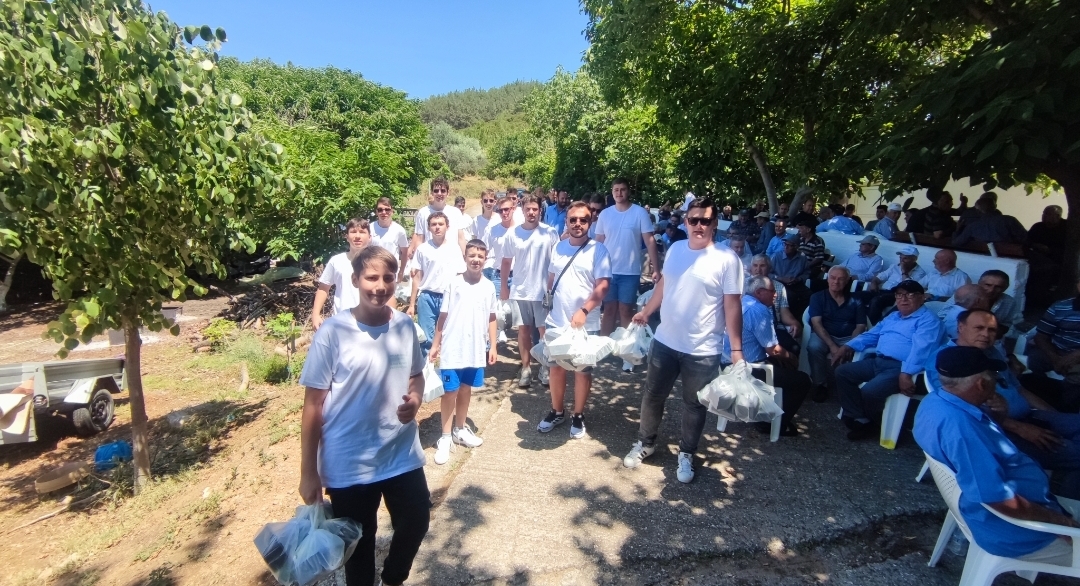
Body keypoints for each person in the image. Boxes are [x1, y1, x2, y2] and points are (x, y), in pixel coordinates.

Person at [298, 246, 430, 586]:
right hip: (349, 462)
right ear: (355, 279)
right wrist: (308, 472)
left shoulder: (404, 327)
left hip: (400, 453)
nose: (380, 286)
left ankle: (393, 578)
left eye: (388, 277)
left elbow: (416, 375)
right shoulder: (333, 333)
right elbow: (313, 405)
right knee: (359, 546)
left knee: (416, 520)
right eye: (371, 277)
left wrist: (415, 399)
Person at [915, 345, 1080, 566]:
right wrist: (1061, 523)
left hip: (1010, 513)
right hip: (1019, 533)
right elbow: (999, 500)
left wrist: (999, 415)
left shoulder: (936, 402)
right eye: (993, 375)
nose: (997, 380)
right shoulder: (963, 431)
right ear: (981, 383)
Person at [622, 197, 744, 483]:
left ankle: (686, 453)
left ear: (715, 224)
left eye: (705, 220)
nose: (698, 225)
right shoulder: (676, 248)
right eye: (693, 220)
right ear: (686, 222)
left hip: (703, 349)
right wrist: (647, 310)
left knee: (694, 405)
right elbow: (665, 283)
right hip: (665, 341)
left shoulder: (727, 259)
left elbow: (732, 305)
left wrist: (736, 348)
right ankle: (646, 443)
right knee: (652, 396)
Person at [925, 310, 1080, 499]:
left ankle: (1065, 496)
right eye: (979, 328)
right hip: (1000, 431)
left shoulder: (992, 353)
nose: (986, 334)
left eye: (992, 330)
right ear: (960, 327)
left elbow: (1019, 390)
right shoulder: (947, 360)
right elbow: (962, 407)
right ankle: (1066, 505)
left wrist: (1055, 418)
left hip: (1029, 416)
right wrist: (1020, 427)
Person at [832, 279, 944, 440]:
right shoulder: (894, 317)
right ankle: (859, 417)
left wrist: (906, 374)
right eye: (899, 295)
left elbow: (922, 351)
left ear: (921, 297)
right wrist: (848, 346)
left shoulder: (928, 321)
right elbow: (872, 334)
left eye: (909, 295)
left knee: (870, 391)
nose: (903, 299)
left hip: (901, 367)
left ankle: (869, 422)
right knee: (843, 372)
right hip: (878, 360)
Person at [537, 203, 612, 438]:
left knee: (581, 371)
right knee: (556, 368)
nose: (577, 224)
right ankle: (557, 411)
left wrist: (584, 310)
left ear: (590, 223)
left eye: (583, 220)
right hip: (556, 321)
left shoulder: (599, 250)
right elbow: (551, 278)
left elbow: (603, 286)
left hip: (584, 324)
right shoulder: (558, 247)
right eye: (573, 220)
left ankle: (578, 415)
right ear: (566, 222)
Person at [428, 240, 497, 465]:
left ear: (485, 259)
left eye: (480, 255)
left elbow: (492, 317)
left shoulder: (488, 286)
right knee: (450, 391)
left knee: (466, 389)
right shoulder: (454, 283)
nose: (476, 259)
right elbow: (443, 316)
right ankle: (445, 436)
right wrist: (436, 344)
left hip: (475, 348)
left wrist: (493, 346)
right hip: (453, 347)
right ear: (465, 257)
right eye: (472, 255)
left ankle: (459, 429)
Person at [725, 276, 811, 436]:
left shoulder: (740, 303)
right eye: (772, 291)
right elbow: (774, 350)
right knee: (802, 380)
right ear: (759, 292)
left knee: (782, 366)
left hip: (725, 362)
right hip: (748, 368)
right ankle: (771, 424)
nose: (775, 295)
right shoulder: (759, 309)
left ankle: (764, 409)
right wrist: (792, 357)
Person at [500, 194, 560, 388]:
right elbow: (506, 262)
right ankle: (526, 369)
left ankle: (546, 367)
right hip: (520, 290)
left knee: (545, 333)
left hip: (543, 291)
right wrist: (504, 288)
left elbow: (557, 263)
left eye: (535, 209)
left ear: (540, 210)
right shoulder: (513, 234)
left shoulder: (550, 233)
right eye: (528, 209)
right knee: (524, 331)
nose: (532, 212)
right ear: (523, 210)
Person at [594, 178, 660, 345]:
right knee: (608, 309)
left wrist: (656, 269)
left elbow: (650, 240)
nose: (619, 193)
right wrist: (591, 266)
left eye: (623, 189)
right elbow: (598, 242)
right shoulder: (605, 214)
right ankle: (603, 347)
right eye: (616, 190)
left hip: (630, 271)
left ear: (628, 191)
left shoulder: (639, 213)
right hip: (607, 270)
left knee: (625, 310)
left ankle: (626, 349)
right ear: (612, 191)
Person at [409, 212, 466, 357]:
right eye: (433, 224)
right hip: (427, 297)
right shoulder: (422, 249)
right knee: (426, 338)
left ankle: (447, 370)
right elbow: (417, 277)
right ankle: (427, 370)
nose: (437, 227)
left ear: (447, 226)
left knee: (448, 334)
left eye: (440, 224)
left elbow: (460, 276)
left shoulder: (454, 249)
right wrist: (411, 304)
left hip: (448, 297)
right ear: (429, 228)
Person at [807, 266, 867, 402]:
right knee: (814, 347)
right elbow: (817, 324)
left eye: (841, 279)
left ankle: (846, 386)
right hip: (824, 334)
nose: (836, 282)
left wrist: (851, 344)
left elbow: (860, 326)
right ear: (827, 279)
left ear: (847, 281)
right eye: (833, 278)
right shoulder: (817, 297)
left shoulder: (856, 300)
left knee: (858, 350)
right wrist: (833, 346)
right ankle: (820, 384)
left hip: (848, 337)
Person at [1028, 276, 1080, 411]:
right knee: (1033, 361)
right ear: (1078, 286)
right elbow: (1041, 336)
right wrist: (1055, 358)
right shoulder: (1060, 307)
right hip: (1057, 351)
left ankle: (1067, 411)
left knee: (1077, 378)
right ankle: (1040, 404)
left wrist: (1076, 355)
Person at [312, 217, 370, 329]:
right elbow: (323, 287)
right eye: (353, 232)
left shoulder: (376, 262)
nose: (357, 236)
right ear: (346, 237)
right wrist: (315, 314)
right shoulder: (336, 261)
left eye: (362, 232)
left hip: (370, 321)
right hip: (341, 322)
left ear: (370, 237)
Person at [747, 254, 801, 356]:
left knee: (794, 348)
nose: (758, 269)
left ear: (769, 268)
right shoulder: (743, 284)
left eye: (762, 266)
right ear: (751, 267)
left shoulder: (778, 287)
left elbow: (784, 312)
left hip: (774, 328)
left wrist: (794, 323)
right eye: (755, 265)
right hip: (751, 329)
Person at [864, 245, 929, 324]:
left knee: (876, 300)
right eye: (900, 258)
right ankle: (857, 323)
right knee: (856, 296)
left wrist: (904, 272)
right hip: (881, 291)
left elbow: (908, 287)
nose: (902, 261)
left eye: (905, 258)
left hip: (897, 295)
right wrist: (874, 283)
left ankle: (872, 326)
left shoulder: (920, 273)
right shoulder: (894, 267)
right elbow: (879, 277)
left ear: (914, 259)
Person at [410, 176, 468, 257]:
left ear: (448, 193)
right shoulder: (423, 212)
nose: (439, 193)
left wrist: (464, 258)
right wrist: (417, 262)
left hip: (451, 257)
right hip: (430, 258)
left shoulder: (455, 212)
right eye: (436, 191)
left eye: (443, 191)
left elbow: (461, 238)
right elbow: (420, 239)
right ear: (432, 193)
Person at [1026, 205, 1066, 306]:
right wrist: (1036, 246)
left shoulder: (1067, 227)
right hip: (1037, 258)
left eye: (1047, 214)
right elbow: (1027, 241)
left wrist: (1050, 250)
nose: (1044, 216)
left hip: (1059, 259)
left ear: (1057, 216)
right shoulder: (1038, 226)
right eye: (1044, 213)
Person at [953, 198, 1027, 247]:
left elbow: (956, 243)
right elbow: (1026, 239)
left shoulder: (972, 227)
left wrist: (957, 230)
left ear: (977, 211)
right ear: (995, 207)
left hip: (983, 258)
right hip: (1013, 257)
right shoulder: (1009, 220)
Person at [770, 233, 811, 319]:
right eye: (785, 244)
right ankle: (789, 318)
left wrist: (798, 279)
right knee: (790, 296)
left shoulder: (802, 257)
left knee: (809, 295)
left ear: (796, 247)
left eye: (789, 245)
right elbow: (768, 273)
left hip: (796, 283)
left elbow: (806, 272)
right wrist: (781, 278)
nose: (786, 247)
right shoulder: (776, 256)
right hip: (779, 283)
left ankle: (801, 317)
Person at [370, 199, 410, 283]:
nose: (383, 212)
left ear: (392, 211)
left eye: (387, 209)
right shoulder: (369, 228)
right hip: (372, 270)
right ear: (376, 212)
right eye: (380, 210)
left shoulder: (399, 230)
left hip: (391, 272)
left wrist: (401, 271)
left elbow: (405, 253)